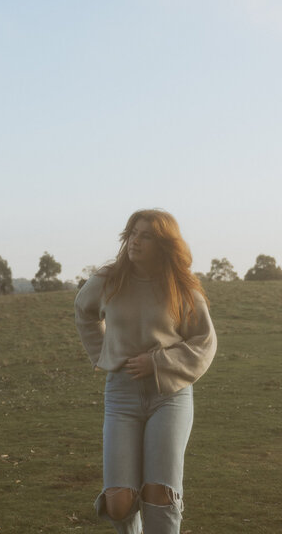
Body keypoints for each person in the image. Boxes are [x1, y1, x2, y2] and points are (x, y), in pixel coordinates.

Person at [74, 209, 217, 534]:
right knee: (119, 501)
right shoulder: (108, 279)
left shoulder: (182, 288)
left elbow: (204, 342)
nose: (135, 242)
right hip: (121, 395)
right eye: (133, 234)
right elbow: (84, 312)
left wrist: (158, 362)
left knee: (160, 494)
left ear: (164, 243)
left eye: (146, 236)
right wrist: (103, 354)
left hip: (170, 396)